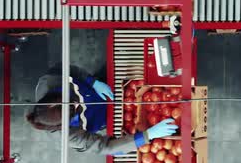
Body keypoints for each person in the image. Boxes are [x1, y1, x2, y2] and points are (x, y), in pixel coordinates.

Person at [26, 64, 177, 155]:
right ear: (61, 125)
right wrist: (148, 134)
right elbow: (106, 147)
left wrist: (92, 82)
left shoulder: (48, 81)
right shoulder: (69, 137)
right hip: (103, 116)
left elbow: (68, 69)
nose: (77, 105)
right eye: (73, 111)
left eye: (72, 101)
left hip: (100, 85)